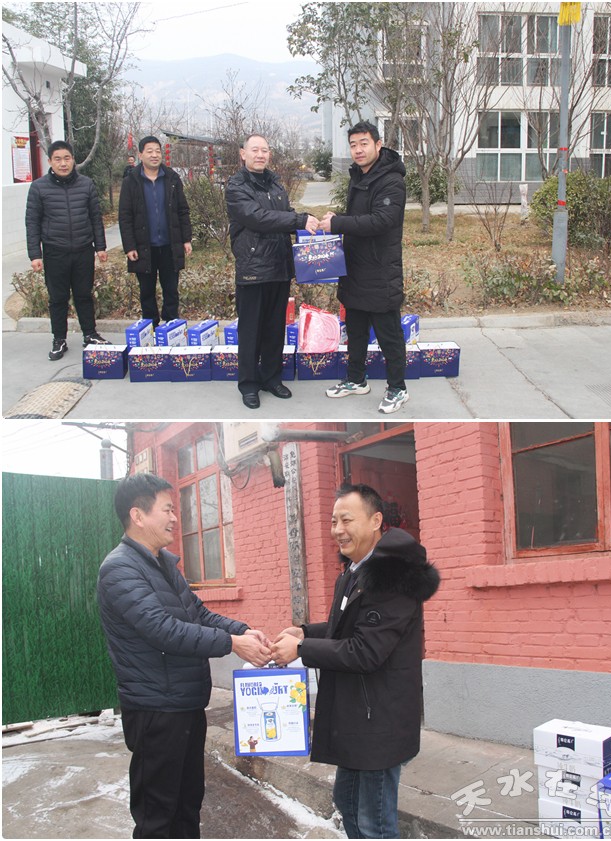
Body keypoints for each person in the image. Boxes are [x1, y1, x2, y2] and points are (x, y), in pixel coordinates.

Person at [97, 473, 271, 839]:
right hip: (156, 711)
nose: (175, 518)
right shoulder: (120, 569)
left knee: (188, 804)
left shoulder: (163, 564)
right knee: (158, 816)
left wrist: (242, 630)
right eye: (167, 510)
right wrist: (232, 644)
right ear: (138, 515)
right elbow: (163, 630)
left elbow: (198, 614)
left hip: (185, 704)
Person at [272, 483, 440, 839]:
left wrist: (301, 650)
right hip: (358, 717)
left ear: (376, 520)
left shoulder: (392, 578)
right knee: (347, 803)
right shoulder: (355, 571)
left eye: (346, 520)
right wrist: (305, 632)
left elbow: (365, 651)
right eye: (334, 521)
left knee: (373, 822)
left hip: (379, 721)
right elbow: (345, 627)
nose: (337, 530)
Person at [320, 122, 409, 414]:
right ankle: (356, 379)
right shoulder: (359, 176)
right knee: (356, 332)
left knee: (389, 335)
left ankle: (398, 388)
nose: (358, 150)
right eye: (353, 145)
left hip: (380, 270)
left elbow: (382, 220)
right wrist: (337, 217)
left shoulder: (392, 180)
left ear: (378, 145)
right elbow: (360, 216)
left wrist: (338, 223)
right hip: (355, 267)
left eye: (364, 143)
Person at [225, 133, 319, 409]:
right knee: (251, 331)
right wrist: (299, 220)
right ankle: (249, 385)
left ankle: (271, 378)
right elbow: (258, 218)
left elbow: (284, 213)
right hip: (253, 268)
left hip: (279, 266)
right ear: (243, 153)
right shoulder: (236, 186)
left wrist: (309, 225)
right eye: (255, 150)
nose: (260, 155)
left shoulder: (275, 183)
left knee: (275, 329)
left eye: (264, 150)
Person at [25, 139, 110, 360]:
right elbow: (32, 223)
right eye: (58, 159)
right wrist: (35, 254)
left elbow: (95, 217)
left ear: (73, 160)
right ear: (50, 162)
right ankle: (59, 339)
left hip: (83, 250)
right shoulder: (39, 187)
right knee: (58, 298)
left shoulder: (86, 184)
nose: (63, 163)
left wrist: (100, 246)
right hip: (55, 251)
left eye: (67, 158)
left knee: (84, 295)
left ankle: (90, 334)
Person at [118, 135, 193, 327]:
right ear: (140, 155)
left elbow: (183, 210)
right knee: (146, 291)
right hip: (144, 246)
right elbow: (125, 216)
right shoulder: (131, 181)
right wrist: (129, 246)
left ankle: (171, 326)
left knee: (171, 289)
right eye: (149, 151)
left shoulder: (172, 178)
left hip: (170, 244)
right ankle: (150, 326)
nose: (154, 155)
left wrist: (186, 239)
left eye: (157, 151)